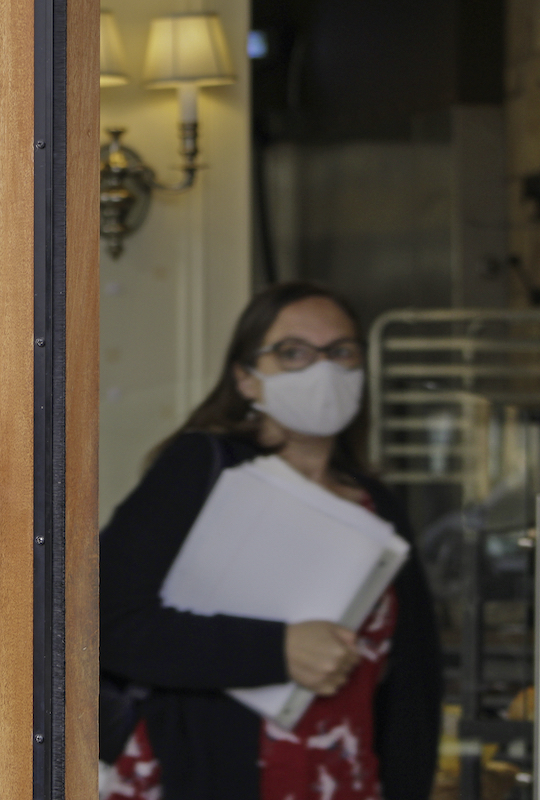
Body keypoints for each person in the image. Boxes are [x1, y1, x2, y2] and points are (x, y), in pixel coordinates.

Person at [99, 282, 442, 800]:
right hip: (209, 774)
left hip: (344, 779)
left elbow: (412, 684)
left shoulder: (378, 505)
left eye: (341, 352)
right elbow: (104, 620)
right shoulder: (200, 468)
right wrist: (276, 650)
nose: (323, 370)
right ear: (246, 378)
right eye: (294, 353)